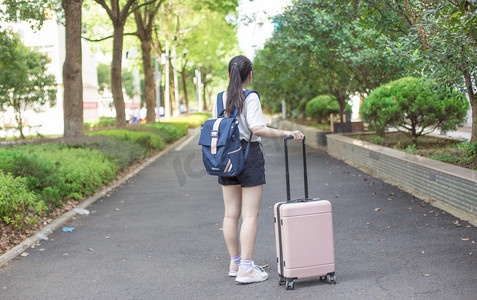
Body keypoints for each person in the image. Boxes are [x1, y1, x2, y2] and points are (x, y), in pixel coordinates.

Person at [212, 55, 304, 284]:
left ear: (229, 74)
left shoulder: (220, 98)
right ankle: (246, 268)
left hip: (226, 157)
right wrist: (287, 133)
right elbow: (257, 128)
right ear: (250, 75)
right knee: (250, 214)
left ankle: (235, 262)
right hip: (248, 155)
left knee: (230, 214)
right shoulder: (250, 97)